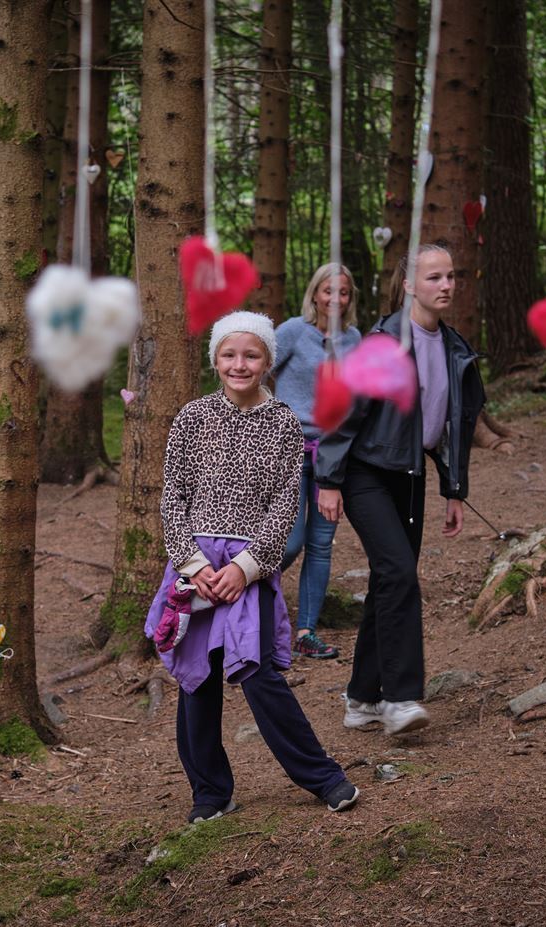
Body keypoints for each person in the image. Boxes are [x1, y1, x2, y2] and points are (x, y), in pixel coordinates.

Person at [144, 310, 360, 824]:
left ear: (267, 361)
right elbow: (173, 496)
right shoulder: (192, 418)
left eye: (252, 355)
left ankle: (323, 777)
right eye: (229, 354)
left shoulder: (283, 423)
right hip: (195, 563)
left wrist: (246, 567)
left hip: (250, 567)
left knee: (259, 672)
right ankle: (210, 793)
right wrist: (193, 564)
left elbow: (286, 505)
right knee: (198, 678)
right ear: (216, 359)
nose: (239, 364)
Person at [315, 244, 485, 736]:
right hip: (366, 473)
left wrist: (454, 489)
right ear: (409, 285)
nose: (446, 285)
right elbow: (342, 411)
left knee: (389, 581)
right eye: (434, 277)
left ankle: (361, 697)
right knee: (399, 574)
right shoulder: (384, 343)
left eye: (451, 276)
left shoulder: (454, 347)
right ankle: (401, 697)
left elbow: (456, 422)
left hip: (412, 476)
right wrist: (328, 480)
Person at [271, 263, 364, 661]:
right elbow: (257, 369)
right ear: (315, 294)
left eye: (343, 293)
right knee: (288, 544)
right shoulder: (294, 330)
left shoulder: (355, 339)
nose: (335, 300)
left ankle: (306, 631)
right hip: (290, 449)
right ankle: (252, 608)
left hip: (333, 453)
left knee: (321, 545)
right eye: (328, 291)